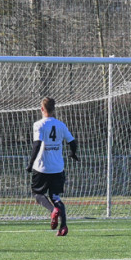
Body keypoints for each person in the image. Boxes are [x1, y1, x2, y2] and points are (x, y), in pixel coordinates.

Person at [26, 96, 78, 237]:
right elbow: (72, 142)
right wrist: (73, 154)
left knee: (38, 195)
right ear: (54, 109)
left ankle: (53, 211)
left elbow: (37, 144)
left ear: (42, 109)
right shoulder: (61, 125)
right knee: (56, 197)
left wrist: (31, 164)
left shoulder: (39, 125)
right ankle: (63, 227)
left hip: (42, 167)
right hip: (57, 168)